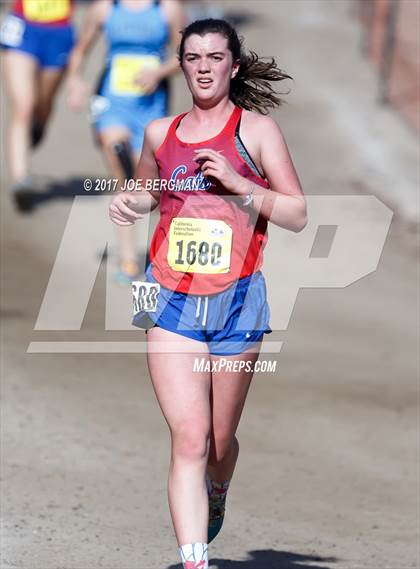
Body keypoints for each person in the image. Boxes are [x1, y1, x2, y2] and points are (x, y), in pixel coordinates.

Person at [109, 18, 307, 569]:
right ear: (181, 63)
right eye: (192, 56)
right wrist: (129, 203)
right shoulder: (160, 133)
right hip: (170, 298)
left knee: (219, 445)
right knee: (189, 439)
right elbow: (149, 191)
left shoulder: (258, 132)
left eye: (214, 57)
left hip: (238, 302)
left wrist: (242, 183)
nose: (202, 66)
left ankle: (218, 489)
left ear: (233, 65)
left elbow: (296, 214)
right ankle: (195, 560)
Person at [66, 0, 184, 283]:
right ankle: (128, 258)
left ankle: (167, 248)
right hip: (112, 103)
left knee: (151, 184)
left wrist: (158, 72)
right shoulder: (105, 8)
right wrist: (74, 81)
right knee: (122, 171)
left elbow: (186, 55)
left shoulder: (167, 8)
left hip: (151, 107)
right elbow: (80, 49)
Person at [0, 0, 76, 212]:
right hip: (22, 27)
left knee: (42, 106)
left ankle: (39, 124)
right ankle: (20, 180)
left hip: (58, 32)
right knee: (23, 106)